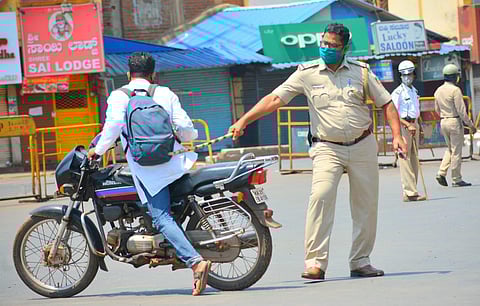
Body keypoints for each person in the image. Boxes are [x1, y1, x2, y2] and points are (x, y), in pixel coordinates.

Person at [229, 23, 407, 281]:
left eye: (332, 45)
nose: (326, 49)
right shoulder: (306, 72)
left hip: (362, 145)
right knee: (320, 198)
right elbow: (275, 99)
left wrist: (398, 136)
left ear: (344, 48)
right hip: (327, 147)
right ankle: (315, 263)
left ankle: (360, 261)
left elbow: (387, 104)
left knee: (365, 205)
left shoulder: (362, 72)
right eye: (323, 43)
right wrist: (244, 120)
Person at [87, 52, 211, 296]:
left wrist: (96, 151)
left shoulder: (119, 96)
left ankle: (196, 262)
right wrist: (190, 138)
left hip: (147, 170)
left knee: (161, 217)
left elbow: (111, 129)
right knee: (165, 213)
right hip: (175, 164)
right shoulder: (165, 93)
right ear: (153, 74)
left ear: (128, 74)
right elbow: (186, 129)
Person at [434, 64, 477, 187]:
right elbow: (461, 111)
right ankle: (456, 179)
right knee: (456, 151)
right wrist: (471, 125)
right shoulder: (455, 90)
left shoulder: (438, 90)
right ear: (455, 77)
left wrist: (444, 116)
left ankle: (441, 172)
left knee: (450, 149)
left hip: (443, 121)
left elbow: (436, 109)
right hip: (454, 121)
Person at [391, 60, 426, 202]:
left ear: (414, 75)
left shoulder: (414, 91)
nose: (407, 77)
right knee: (405, 157)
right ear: (400, 76)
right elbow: (393, 114)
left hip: (414, 125)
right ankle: (411, 192)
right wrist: (407, 125)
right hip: (403, 127)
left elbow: (416, 111)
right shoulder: (397, 93)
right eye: (404, 75)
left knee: (414, 158)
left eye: (409, 74)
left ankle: (411, 190)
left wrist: (419, 127)